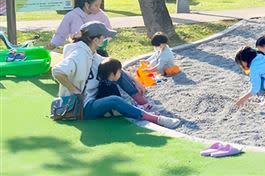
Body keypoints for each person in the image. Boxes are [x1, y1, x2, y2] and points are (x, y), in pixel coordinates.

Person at [51, 22, 179, 128]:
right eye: (104, 37)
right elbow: (57, 71)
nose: (107, 39)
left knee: (115, 69)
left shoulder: (91, 52)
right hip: (81, 107)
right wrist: (75, 91)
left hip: (93, 98)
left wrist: (135, 81)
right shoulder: (79, 54)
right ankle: (157, 119)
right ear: (96, 40)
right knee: (114, 100)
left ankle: (146, 104)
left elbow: (114, 67)